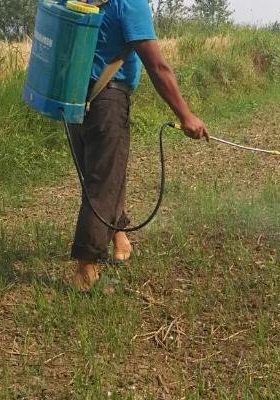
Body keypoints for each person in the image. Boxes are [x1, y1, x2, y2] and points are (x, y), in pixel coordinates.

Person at [70, 0, 209, 291]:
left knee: (107, 175)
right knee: (103, 185)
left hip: (74, 100)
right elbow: (157, 66)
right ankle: (86, 271)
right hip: (106, 101)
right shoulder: (129, 3)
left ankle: (119, 237)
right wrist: (185, 115)